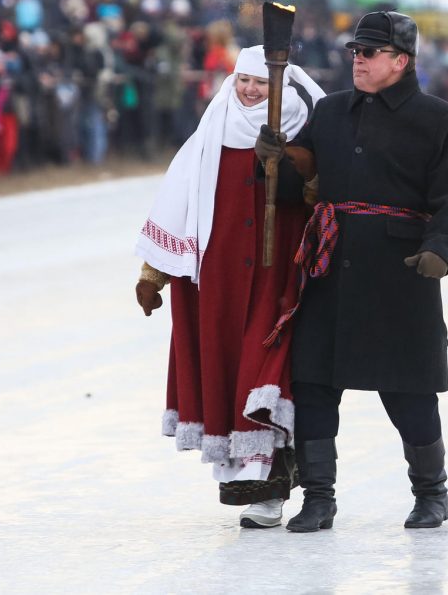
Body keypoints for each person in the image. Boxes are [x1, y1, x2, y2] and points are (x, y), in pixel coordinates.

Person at [255, 11, 448, 532]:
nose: (358, 60)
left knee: (409, 390)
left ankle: (431, 494)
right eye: (355, 51)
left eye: (369, 53)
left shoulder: (438, 119)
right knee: (312, 384)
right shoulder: (329, 113)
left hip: (401, 274)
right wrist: (274, 165)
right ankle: (319, 499)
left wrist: (440, 249)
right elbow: (297, 189)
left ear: (401, 60)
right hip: (330, 270)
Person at [134, 45, 325, 528]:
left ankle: (271, 490)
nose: (250, 89)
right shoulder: (212, 130)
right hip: (215, 280)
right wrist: (152, 275)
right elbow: (177, 199)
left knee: (264, 375)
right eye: (243, 79)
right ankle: (242, 481)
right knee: (225, 373)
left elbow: (324, 196)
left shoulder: (307, 127)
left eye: (261, 82)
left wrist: (294, 166)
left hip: (276, 277)